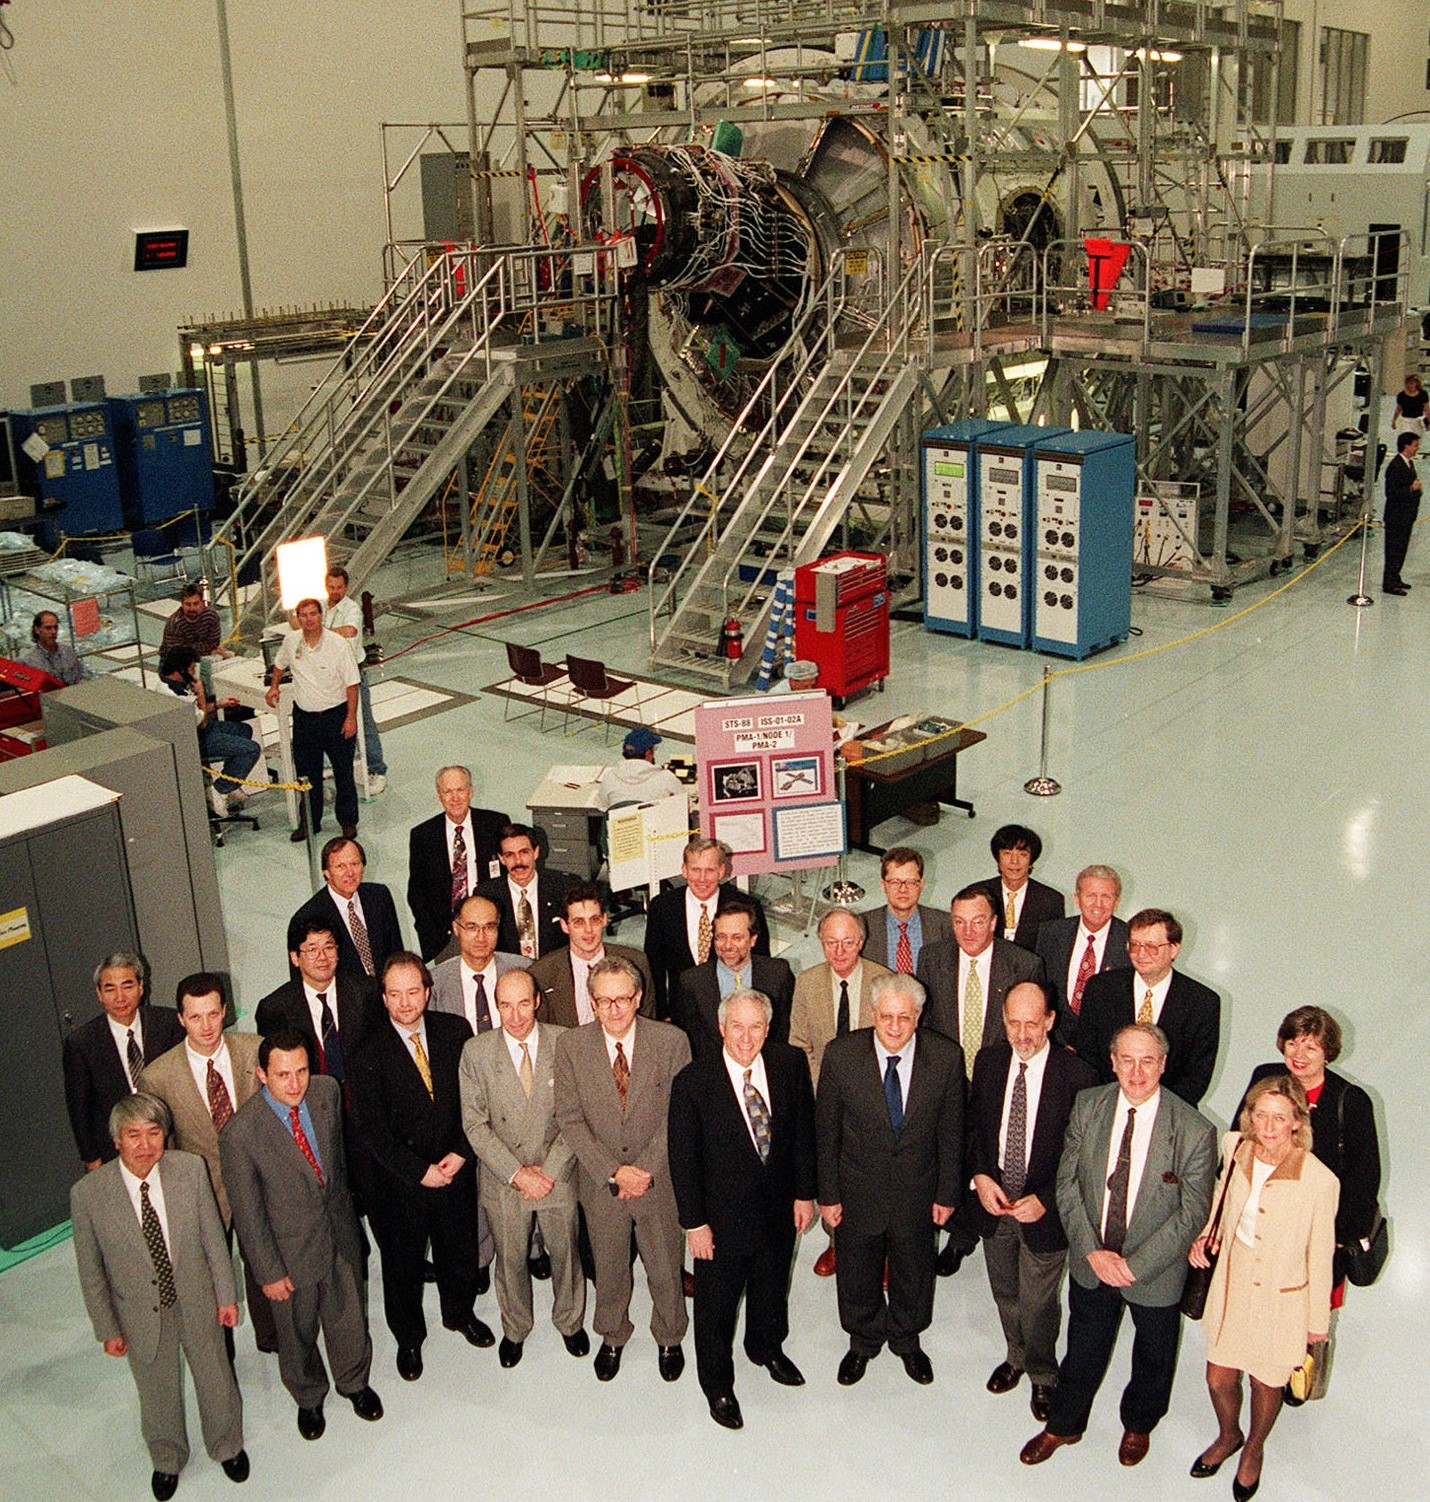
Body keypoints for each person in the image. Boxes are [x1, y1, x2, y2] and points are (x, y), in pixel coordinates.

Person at [1020, 1023, 1216, 1471]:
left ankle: (1139, 1422)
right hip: (1094, 1258)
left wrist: (1134, 1266)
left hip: (1154, 1270)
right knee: (1083, 1345)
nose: (1137, 1071)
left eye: (1148, 1060)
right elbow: (1066, 1185)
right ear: (1112, 1062)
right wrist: (1091, 1251)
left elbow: (1192, 1212)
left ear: (1163, 1064)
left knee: (1153, 1353)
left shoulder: (1193, 1129)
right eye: (1126, 1059)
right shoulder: (1089, 1106)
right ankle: (1065, 1424)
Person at [71, 1093, 247, 1501]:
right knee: (156, 1391)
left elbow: (213, 1241)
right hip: (138, 1315)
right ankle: (167, 1457)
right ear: (116, 1140)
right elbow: (91, 1272)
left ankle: (227, 1445)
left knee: (216, 1377)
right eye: (134, 1135)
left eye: (154, 1133)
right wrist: (107, 1328)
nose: (145, 1144)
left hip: (197, 1299)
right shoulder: (89, 1195)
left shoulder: (189, 1170)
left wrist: (226, 1295)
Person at [220, 1029, 383, 1441]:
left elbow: (337, 1167)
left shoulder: (326, 1093)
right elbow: (248, 1213)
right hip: (288, 1255)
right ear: (261, 1075)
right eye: (282, 1075)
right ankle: (309, 1397)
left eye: (302, 1071)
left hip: (339, 1235)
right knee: (297, 1332)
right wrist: (268, 1271)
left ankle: (354, 1382)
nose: (295, 1084)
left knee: (348, 1317)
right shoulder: (240, 1134)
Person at [668, 989, 817, 1429]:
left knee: (772, 1289)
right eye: (737, 1026)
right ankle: (716, 1383)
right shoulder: (693, 1082)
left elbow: (802, 1135)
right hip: (719, 1222)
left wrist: (804, 1193)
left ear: (768, 1028)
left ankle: (766, 1348)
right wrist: (694, 1224)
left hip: (777, 1213)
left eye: (756, 1027)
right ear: (721, 1028)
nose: (747, 1037)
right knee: (716, 1307)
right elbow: (684, 1159)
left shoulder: (789, 1065)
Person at [1188, 1075, 1339, 1500]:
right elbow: (1221, 1197)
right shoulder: (1235, 1147)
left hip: (1281, 1298)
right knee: (1218, 1377)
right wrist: (1207, 1235)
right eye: (1261, 1116)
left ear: (1297, 1122)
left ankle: (1253, 1449)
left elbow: (1320, 1256)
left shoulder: (1319, 1181)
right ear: (1249, 1116)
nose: (1269, 1127)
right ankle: (1228, 1435)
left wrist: (1316, 1327)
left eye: (1280, 1118)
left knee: (1264, 1383)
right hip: (1234, 1283)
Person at [815, 972, 965, 1387]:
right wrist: (827, 1195)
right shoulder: (841, 1055)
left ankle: (906, 1337)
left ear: (918, 1016)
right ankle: (862, 1341)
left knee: (913, 1268)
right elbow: (825, 1132)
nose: (895, 1027)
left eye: (904, 1017)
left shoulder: (946, 1057)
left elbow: (951, 1133)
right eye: (886, 1017)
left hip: (918, 1190)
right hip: (856, 1190)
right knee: (857, 1269)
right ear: (873, 1014)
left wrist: (948, 1192)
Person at [348, 953, 491, 1382]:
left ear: (428, 992)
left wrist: (463, 1151)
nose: (406, 1002)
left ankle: (459, 1313)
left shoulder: (455, 1032)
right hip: (400, 1182)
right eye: (395, 994)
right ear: (384, 998)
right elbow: (372, 1131)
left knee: (459, 1249)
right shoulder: (366, 1050)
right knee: (402, 1263)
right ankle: (409, 1337)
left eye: (414, 992)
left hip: (454, 1166)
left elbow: (476, 1101)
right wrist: (418, 1171)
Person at [553, 955, 691, 1383]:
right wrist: (614, 1171)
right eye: (603, 1001)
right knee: (609, 1264)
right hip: (601, 1183)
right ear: (591, 1002)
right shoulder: (571, 1046)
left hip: (659, 1178)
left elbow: (679, 1116)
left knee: (665, 1263)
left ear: (638, 998)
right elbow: (569, 1118)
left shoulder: (672, 1041)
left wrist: (644, 1169)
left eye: (622, 999)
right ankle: (612, 1335)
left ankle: (669, 1335)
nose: (613, 1010)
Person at [968, 982, 1097, 1423]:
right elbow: (974, 1129)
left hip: (1045, 1207)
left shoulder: (1078, 1076)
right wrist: (981, 1177)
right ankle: (1015, 1355)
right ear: (1002, 1021)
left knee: (1039, 1300)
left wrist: (1045, 1199)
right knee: (1005, 1289)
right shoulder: (988, 1063)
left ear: (1050, 1021)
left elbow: (1082, 1157)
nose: (1022, 1034)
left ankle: (1043, 1373)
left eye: (1031, 1023)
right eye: (1013, 1023)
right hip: (996, 1199)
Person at [138, 973, 276, 1355]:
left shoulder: (255, 1050)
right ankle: (222, 1352)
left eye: (213, 1015)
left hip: (259, 1179)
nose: (206, 1026)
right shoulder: (158, 1077)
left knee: (265, 1260)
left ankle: (272, 1338)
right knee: (211, 1277)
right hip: (204, 1189)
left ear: (225, 1012)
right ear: (181, 1019)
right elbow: (161, 1147)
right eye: (195, 1017)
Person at [459, 967, 589, 1367]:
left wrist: (547, 1171)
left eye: (522, 1004)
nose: (515, 1016)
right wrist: (517, 1174)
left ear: (536, 1001)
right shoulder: (477, 1052)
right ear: (495, 1007)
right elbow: (475, 1126)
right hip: (505, 1179)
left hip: (557, 1171)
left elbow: (575, 1116)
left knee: (566, 1252)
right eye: (505, 1006)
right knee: (510, 1257)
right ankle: (515, 1327)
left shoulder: (564, 1042)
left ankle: (570, 1321)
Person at [917, 884, 1045, 1275]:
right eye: (958, 922)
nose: (968, 931)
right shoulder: (931, 958)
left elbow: (1029, 1029)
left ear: (994, 922)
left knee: (985, 1160)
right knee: (944, 1160)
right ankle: (952, 1226)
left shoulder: (1024, 964)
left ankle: (964, 1237)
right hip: (947, 1083)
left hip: (999, 1084)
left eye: (977, 922)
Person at [1240, 1006, 1380, 1303]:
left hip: (1317, 1236)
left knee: (1306, 1329)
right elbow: (1240, 1144)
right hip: (1259, 1229)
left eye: (1311, 1047)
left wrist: (1337, 1241)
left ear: (1327, 1053)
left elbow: (1365, 1180)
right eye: (1292, 1044)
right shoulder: (1264, 1078)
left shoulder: (1351, 1101)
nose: (1299, 1056)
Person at [788, 908, 891, 1278]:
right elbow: (800, 1047)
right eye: (831, 942)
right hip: (822, 1098)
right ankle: (836, 1243)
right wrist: (824, 1093)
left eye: (848, 942)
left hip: (875, 1101)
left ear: (861, 942)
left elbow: (893, 1046)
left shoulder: (885, 980)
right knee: (830, 1173)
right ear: (821, 943)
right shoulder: (807, 982)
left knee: (873, 1177)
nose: (840, 951)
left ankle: (880, 1252)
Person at [1076, 908, 1220, 1107]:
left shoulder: (1202, 1002)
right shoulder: (1101, 989)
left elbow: (1197, 1075)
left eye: (1152, 946)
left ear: (1174, 949)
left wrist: (1152, 1109)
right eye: (1135, 945)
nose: (1141, 954)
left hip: (1169, 1114)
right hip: (1105, 1108)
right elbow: (1087, 1057)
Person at [63, 952, 184, 1170]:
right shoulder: (81, 1043)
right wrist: (92, 1160)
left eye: (127, 986)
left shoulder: (169, 1024)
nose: (120, 997)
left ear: (141, 987)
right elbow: (79, 1110)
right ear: (99, 994)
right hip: (117, 1150)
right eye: (110, 988)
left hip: (172, 1141)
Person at [265, 596, 360, 842]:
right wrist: (274, 686)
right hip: (305, 720)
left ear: (321, 616)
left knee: (343, 772)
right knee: (306, 775)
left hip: (336, 716)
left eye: (313, 614)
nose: (308, 620)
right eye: (303, 615)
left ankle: (348, 822)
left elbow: (352, 683)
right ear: (298, 618)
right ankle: (309, 822)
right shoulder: (291, 641)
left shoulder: (338, 645)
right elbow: (279, 664)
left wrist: (351, 718)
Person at [643, 836, 771, 1019]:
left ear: (721, 871)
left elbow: (761, 962)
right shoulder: (662, 907)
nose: (702, 879)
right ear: (684, 870)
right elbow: (654, 966)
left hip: (732, 1007)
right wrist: (662, 1013)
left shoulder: (747, 906)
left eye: (710, 870)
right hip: (681, 1011)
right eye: (695, 870)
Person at [255, 917, 384, 1089]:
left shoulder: (367, 991)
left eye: (329, 948)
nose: (322, 957)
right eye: (312, 950)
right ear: (295, 957)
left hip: (367, 1097)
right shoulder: (274, 1009)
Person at [673, 894, 795, 1061]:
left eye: (737, 938)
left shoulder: (777, 974)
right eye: (721, 937)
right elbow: (692, 1042)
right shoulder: (692, 982)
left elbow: (783, 1032)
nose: (728, 946)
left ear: (753, 940)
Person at [406, 765, 509, 962]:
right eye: (448, 792)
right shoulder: (423, 835)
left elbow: (508, 877)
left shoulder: (496, 824)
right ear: (439, 796)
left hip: (490, 927)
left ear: (471, 792)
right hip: (446, 935)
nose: (455, 798)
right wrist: (432, 935)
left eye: (460, 790)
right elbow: (417, 892)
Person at [529, 881, 654, 1029]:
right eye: (579, 922)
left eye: (594, 920)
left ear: (605, 919)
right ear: (564, 925)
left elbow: (647, 1026)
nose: (588, 930)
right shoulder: (542, 974)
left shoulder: (636, 963)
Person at [159, 645, 261, 818]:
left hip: (199, 729)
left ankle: (231, 783)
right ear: (180, 670)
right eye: (191, 669)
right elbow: (202, 723)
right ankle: (219, 790)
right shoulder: (174, 695)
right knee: (251, 749)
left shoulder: (168, 683)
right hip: (196, 739)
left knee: (243, 730)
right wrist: (200, 693)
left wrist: (219, 704)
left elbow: (198, 712)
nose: (194, 673)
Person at [1034, 864, 1131, 1044]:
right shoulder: (1051, 933)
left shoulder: (1130, 940)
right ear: (1077, 899)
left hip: (1105, 1048)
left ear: (1117, 902)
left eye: (1106, 897)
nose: (1098, 904)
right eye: (1090, 896)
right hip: (1054, 1044)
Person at [288, 836, 405, 982]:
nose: (350, 872)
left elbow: (397, 954)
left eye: (355, 863)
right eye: (340, 866)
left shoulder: (379, 896)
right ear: (326, 872)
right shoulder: (307, 917)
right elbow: (303, 982)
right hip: (345, 1000)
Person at [324, 567, 386, 794]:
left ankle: (377, 769)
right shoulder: (321, 606)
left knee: (364, 721)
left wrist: (318, 630)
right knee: (329, 721)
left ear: (346, 587)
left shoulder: (352, 609)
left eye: (339, 587)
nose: (335, 591)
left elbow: (349, 631)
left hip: (353, 674)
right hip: (329, 676)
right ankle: (328, 765)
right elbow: (295, 620)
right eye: (331, 587)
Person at [429, 893, 529, 1032]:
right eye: (472, 927)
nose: (481, 937)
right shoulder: (435, 982)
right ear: (456, 929)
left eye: (489, 927)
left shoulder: (524, 970)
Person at [476, 823, 575, 960]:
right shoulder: (487, 895)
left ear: (536, 852)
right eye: (510, 855)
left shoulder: (563, 887)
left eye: (524, 852)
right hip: (508, 973)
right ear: (501, 859)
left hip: (554, 970)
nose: (518, 861)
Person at [861, 846, 952, 973]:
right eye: (894, 882)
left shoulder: (945, 924)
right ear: (883, 885)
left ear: (921, 885)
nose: (903, 889)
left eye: (910, 882)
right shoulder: (862, 925)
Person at [979, 823, 1065, 953]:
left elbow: (1054, 950)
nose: (1014, 861)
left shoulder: (1051, 900)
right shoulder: (978, 894)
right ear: (998, 859)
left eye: (1022, 854)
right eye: (1007, 853)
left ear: (1031, 861)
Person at [597, 725, 686, 810]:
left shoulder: (609, 777)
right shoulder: (666, 778)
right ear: (648, 752)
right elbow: (686, 806)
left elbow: (603, 807)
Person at [1381, 429, 1421, 595]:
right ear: (1406, 446)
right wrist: (1411, 489)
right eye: (1415, 445)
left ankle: (1395, 577)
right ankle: (1389, 583)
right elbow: (1391, 493)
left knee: (1401, 549)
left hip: (1406, 515)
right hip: (1396, 516)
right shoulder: (1396, 466)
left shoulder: (1409, 463)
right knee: (1393, 549)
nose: (1417, 448)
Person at [159, 582, 226, 662]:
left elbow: (213, 643)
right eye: (187, 604)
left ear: (202, 602)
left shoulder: (211, 617)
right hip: (173, 662)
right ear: (182, 604)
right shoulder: (174, 624)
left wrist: (191, 648)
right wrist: (207, 649)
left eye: (196, 604)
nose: (192, 608)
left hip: (204, 656)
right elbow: (178, 653)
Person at [18, 608, 86, 684]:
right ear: (37, 630)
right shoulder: (27, 661)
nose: (53, 632)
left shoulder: (68, 651)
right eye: (48, 628)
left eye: (56, 627)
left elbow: (79, 678)